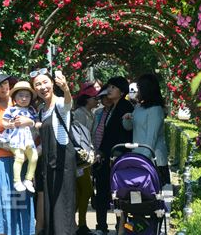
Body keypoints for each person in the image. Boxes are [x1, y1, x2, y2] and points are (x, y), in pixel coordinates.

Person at [0, 66, 35, 235]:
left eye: (4, 83)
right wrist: (11, 144)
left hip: (21, 162)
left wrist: (30, 125)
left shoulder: (19, 100)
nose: (3, 88)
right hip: (0, 163)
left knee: (21, 204)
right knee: (2, 204)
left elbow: (33, 127)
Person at [31, 68, 76, 235]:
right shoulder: (42, 110)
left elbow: (68, 105)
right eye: (38, 85)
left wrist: (66, 89)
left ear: (52, 83)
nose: (43, 87)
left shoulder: (59, 102)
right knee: (51, 204)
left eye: (45, 82)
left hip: (63, 160)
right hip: (48, 162)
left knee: (62, 204)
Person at [92, 76, 133, 235]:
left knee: (118, 193)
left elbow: (123, 134)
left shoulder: (125, 106)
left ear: (122, 91)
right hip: (107, 157)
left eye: (113, 88)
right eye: (108, 87)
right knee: (103, 191)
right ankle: (102, 226)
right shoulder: (112, 108)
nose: (109, 90)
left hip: (117, 158)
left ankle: (120, 227)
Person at [122, 73, 171, 187]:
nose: (137, 91)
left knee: (155, 195)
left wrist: (142, 160)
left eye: (139, 88)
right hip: (140, 155)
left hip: (154, 159)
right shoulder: (139, 107)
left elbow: (151, 138)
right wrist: (127, 118)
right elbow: (129, 127)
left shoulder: (156, 109)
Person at [0, 81, 40, 193]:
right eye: (21, 95)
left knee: (34, 157)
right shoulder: (11, 109)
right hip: (16, 138)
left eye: (27, 96)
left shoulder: (31, 110)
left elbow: (36, 121)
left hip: (28, 139)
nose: (24, 98)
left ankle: (28, 179)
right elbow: (4, 122)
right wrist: (10, 124)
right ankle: (17, 181)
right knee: (19, 158)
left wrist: (36, 123)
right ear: (14, 97)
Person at [73, 82, 99, 235]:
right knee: (86, 190)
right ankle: (79, 224)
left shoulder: (91, 113)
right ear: (86, 99)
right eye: (94, 98)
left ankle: (76, 223)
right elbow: (79, 138)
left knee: (81, 191)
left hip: (87, 159)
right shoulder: (79, 114)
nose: (97, 101)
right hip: (80, 160)